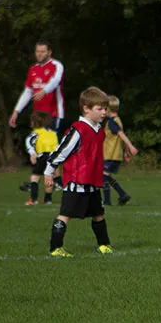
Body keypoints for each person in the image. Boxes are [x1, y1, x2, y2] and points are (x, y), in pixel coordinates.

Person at [43, 87, 114, 258]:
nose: (104, 112)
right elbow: (62, 151)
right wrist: (49, 171)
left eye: (105, 109)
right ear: (86, 109)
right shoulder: (78, 130)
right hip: (77, 182)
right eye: (100, 109)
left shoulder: (100, 131)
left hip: (92, 182)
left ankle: (104, 245)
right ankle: (56, 248)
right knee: (65, 215)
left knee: (98, 215)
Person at [9, 39, 65, 131]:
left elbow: (55, 81)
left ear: (49, 52)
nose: (39, 54)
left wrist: (43, 91)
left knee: (51, 143)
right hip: (37, 116)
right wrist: (16, 111)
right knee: (37, 144)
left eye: (43, 51)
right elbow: (27, 92)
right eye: (37, 51)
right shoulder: (33, 69)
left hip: (53, 114)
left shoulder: (56, 65)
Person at [102, 95, 139, 206]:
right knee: (105, 176)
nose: (103, 111)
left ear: (108, 109)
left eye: (104, 109)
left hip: (111, 154)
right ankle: (123, 195)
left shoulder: (113, 122)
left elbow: (121, 135)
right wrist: (126, 151)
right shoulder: (117, 120)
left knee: (103, 176)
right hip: (112, 154)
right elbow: (121, 136)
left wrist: (130, 147)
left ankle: (107, 201)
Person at [24, 111, 58, 205]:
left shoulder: (36, 133)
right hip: (52, 157)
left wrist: (32, 154)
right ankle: (48, 200)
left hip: (41, 157)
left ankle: (34, 199)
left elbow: (29, 143)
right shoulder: (53, 133)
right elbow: (57, 146)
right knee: (49, 178)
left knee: (35, 177)